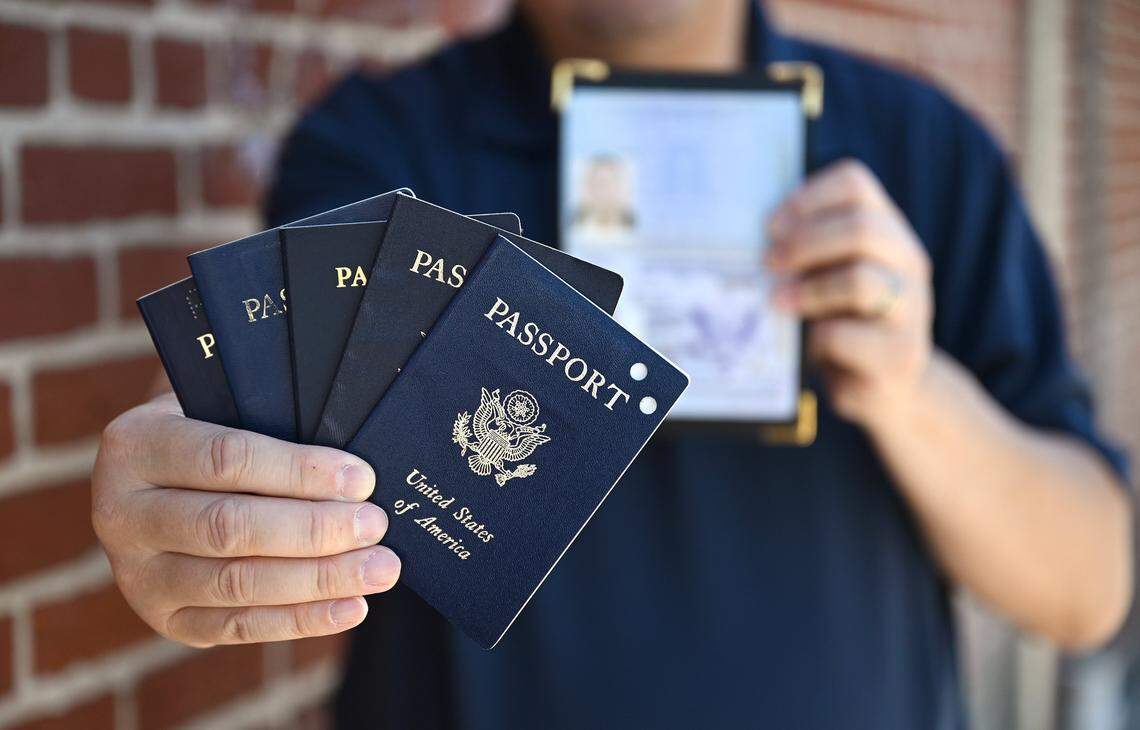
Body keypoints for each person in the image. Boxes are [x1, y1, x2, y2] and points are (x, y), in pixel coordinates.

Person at [92, 1, 1134, 727]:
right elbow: (244, 390)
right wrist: (186, 488)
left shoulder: (920, 152)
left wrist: (915, 392)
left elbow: (1091, 587)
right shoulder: (384, 146)